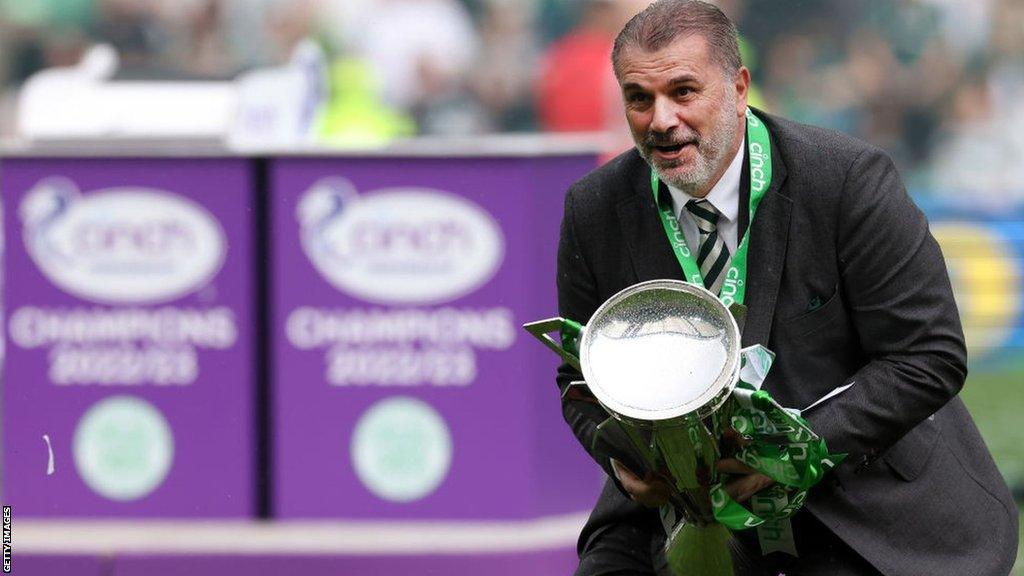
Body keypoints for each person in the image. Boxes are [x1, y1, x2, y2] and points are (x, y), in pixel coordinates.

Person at [553, 1, 1018, 575]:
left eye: (684, 91)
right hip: (678, 507)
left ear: (739, 86)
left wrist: (795, 451)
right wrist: (623, 458)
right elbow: (579, 376)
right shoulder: (594, 208)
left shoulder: (847, 180)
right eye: (639, 98)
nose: (661, 119)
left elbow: (930, 356)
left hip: (857, 498)